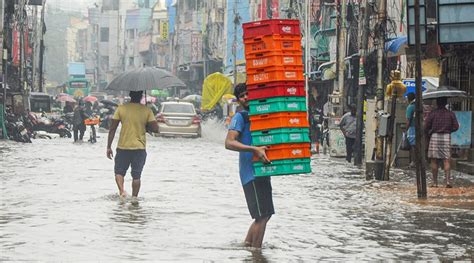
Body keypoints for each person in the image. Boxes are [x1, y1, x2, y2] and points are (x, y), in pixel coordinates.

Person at [224, 83, 273, 249]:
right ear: (239, 100)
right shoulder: (240, 117)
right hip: (250, 174)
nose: (246, 98)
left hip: (262, 171)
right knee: (262, 216)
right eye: (242, 96)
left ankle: (248, 247)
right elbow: (229, 142)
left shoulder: (259, 116)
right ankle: (256, 254)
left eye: (248, 94)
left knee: (265, 215)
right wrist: (254, 149)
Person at [106, 91, 158, 197]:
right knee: (136, 176)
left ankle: (121, 191)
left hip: (123, 147)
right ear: (141, 97)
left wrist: (108, 146)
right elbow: (156, 129)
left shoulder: (121, 108)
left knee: (119, 172)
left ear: (130, 96)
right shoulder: (147, 110)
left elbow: (112, 128)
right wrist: (146, 125)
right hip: (139, 148)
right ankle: (134, 199)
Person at [424, 97, 459, 188]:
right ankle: (447, 181)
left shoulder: (432, 113)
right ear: (445, 103)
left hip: (434, 136)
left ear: (437, 103)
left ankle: (435, 183)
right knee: (446, 159)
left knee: (434, 160)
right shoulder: (450, 114)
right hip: (446, 136)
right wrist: (449, 130)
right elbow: (456, 126)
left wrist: (430, 131)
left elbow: (426, 125)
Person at [405, 92, 416, 167]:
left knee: (413, 146)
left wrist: (406, 129)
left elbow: (408, 120)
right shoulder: (418, 106)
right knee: (417, 146)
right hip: (419, 128)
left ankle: (413, 162)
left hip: (412, 128)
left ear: (408, 98)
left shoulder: (410, 107)